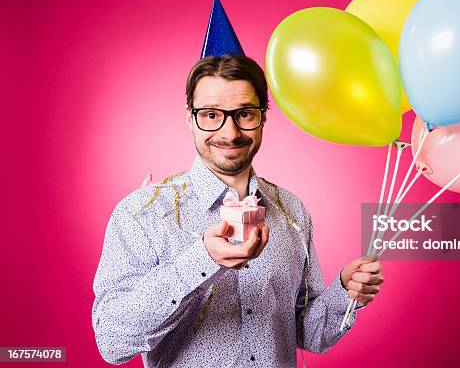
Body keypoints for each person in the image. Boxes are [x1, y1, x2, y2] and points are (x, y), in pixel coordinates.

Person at [92, 55, 384, 367]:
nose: (230, 133)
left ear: (263, 117)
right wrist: (203, 258)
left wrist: (345, 291)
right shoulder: (143, 213)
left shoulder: (292, 212)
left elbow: (309, 335)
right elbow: (112, 342)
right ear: (190, 117)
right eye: (211, 115)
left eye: (244, 114)